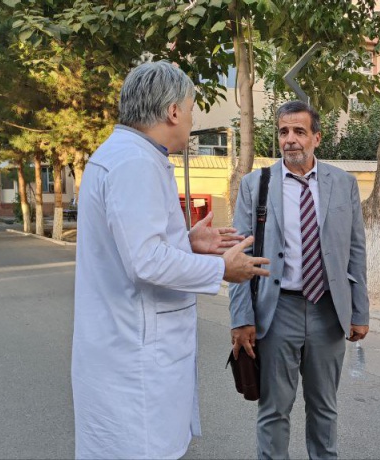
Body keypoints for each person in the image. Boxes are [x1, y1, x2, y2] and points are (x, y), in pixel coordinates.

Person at [72, 61, 271, 460]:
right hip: (135, 358)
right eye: (192, 108)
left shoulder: (127, 155)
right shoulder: (134, 164)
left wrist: (186, 240)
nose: (192, 118)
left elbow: (134, 244)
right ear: (173, 111)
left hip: (126, 348)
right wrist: (221, 268)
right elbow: (145, 261)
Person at [229, 100, 369, 459]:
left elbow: (356, 250)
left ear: (317, 138)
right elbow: (238, 257)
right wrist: (241, 318)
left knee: (324, 408)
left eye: (299, 131)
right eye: (283, 131)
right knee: (274, 410)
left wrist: (360, 312)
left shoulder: (343, 183)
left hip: (328, 311)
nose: (290, 139)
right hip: (277, 313)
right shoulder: (256, 185)